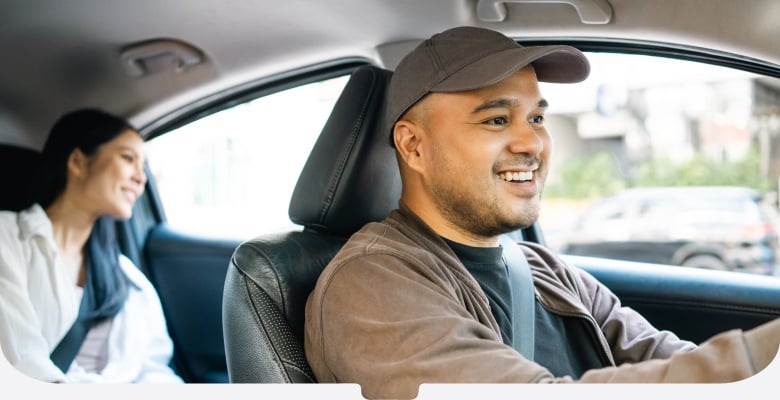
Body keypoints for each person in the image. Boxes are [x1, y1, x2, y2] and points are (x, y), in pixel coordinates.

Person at [304, 26, 780, 399]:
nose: (531, 142)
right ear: (413, 146)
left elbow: (662, 355)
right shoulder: (370, 285)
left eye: (536, 118)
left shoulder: (540, 267)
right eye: (495, 119)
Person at [0, 108, 183, 383]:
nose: (140, 177)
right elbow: (21, 365)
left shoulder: (126, 276)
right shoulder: (8, 238)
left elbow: (152, 367)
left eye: (142, 165)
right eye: (128, 158)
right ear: (77, 161)